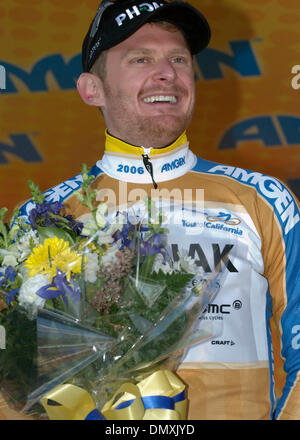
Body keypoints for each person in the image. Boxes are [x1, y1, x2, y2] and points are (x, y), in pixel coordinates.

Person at [16, 0, 300, 420]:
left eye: (179, 59)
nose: (167, 72)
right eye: (141, 58)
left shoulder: (264, 200)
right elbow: (16, 384)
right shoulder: (44, 217)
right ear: (91, 89)